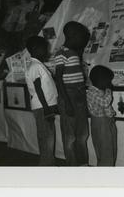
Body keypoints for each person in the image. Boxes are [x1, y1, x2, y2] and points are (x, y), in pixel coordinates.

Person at [55, 21, 90, 166]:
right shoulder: (61, 53)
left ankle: (83, 164)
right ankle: (73, 166)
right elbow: (58, 78)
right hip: (68, 97)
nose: (83, 41)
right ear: (73, 36)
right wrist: (67, 102)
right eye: (81, 38)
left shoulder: (75, 53)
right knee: (70, 137)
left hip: (79, 96)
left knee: (82, 134)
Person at [25, 36, 58, 166]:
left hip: (44, 107)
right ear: (35, 49)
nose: (47, 51)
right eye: (44, 48)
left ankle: (49, 163)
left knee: (49, 137)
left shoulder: (38, 65)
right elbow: (38, 89)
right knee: (46, 138)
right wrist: (47, 108)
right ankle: (46, 166)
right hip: (42, 108)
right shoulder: (35, 66)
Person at [86, 65, 117, 166]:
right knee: (105, 150)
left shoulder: (100, 88)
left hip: (107, 122)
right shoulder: (91, 92)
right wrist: (109, 91)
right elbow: (104, 103)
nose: (109, 84)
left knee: (111, 148)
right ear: (100, 81)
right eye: (108, 81)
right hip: (100, 124)